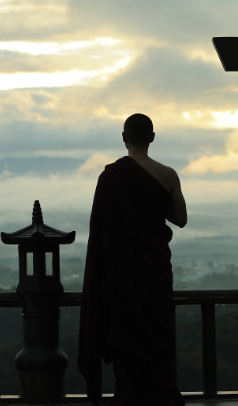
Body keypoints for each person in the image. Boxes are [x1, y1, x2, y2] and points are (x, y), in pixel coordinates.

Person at [78, 113, 188, 406]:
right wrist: (152, 206)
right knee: (156, 342)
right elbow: (180, 219)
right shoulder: (167, 174)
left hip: (121, 279)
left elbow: (99, 230)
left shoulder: (111, 177)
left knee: (127, 340)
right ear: (152, 138)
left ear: (124, 138)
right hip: (155, 276)